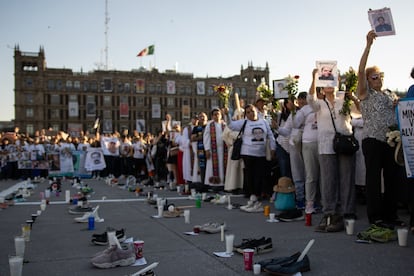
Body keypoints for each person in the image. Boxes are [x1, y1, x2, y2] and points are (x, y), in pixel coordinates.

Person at [356, 30, 402, 228]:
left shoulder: (389, 94)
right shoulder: (365, 93)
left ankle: (391, 214)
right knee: (374, 179)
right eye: (374, 77)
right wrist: (368, 46)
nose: (379, 79)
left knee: (392, 178)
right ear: (368, 79)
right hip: (373, 140)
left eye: (380, 76)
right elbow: (360, 71)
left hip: (391, 141)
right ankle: (376, 217)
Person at [308, 68, 359, 232]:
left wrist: (354, 97)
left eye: (332, 81)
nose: (329, 85)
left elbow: (359, 112)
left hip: (345, 142)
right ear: (321, 87)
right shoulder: (320, 103)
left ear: (337, 83)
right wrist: (314, 78)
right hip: (326, 144)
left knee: (347, 178)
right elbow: (310, 99)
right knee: (328, 180)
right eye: (325, 82)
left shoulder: (344, 98)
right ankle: (330, 212)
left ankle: (348, 212)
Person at [229, 104, 276, 212]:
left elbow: (270, 135)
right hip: (248, 152)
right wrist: (227, 113)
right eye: (248, 112)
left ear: (256, 111)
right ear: (246, 115)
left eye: (252, 110)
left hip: (261, 153)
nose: (251, 113)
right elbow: (231, 125)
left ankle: (258, 198)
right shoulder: (244, 122)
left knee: (259, 176)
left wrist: (273, 148)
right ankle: (252, 197)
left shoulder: (263, 122)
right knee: (250, 175)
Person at [293, 91, 320, 214]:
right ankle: (310, 202)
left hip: (325, 142)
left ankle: (325, 202)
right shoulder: (305, 110)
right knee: (311, 175)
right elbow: (296, 124)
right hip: (309, 143)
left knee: (325, 176)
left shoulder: (326, 104)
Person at [203, 108, 227, 191]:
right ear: (212, 116)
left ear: (221, 115)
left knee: (223, 166)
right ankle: (214, 184)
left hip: (224, 150)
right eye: (215, 114)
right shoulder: (210, 125)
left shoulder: (224, 124)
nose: (217, 116)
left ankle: (223, 184)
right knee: (213, 167)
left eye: (218, 114)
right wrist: (207, 149)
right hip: (213, 150)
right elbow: (206, 137)